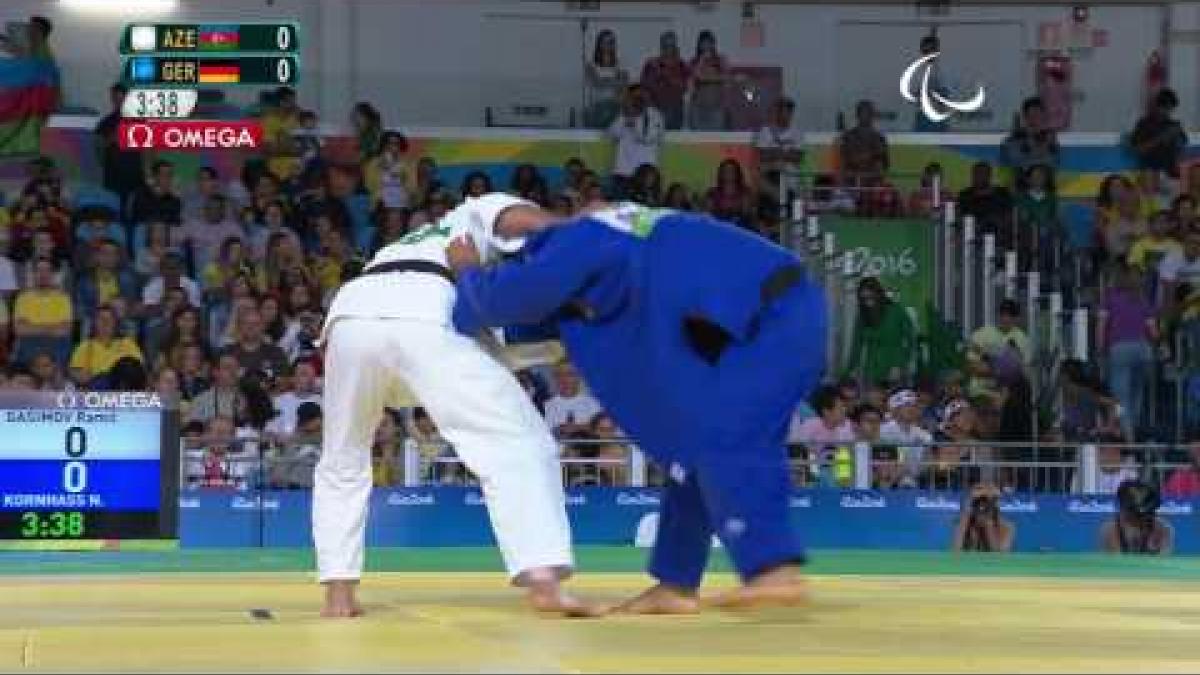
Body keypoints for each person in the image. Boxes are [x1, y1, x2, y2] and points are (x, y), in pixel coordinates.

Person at [449, 196, 827, 613]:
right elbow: (541, 311)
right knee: (691, 450)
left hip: (769, 318)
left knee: (723, 434)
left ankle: (773, 569)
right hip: (765, 316)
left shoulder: (578, 238)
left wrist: (467, 270)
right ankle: (676, 583)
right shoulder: (616, 238)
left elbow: (494, 304)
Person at [313, 194, 596, 618]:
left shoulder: (420, 243)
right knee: (517, 441)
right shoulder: (476, 212)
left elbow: (507, 337)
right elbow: (523, 220)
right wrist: (578, 226)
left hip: (352, 314)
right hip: (426, 311)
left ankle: (339, 595)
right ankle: (543, 581)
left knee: (343, 457)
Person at [842, 277, 915, 386]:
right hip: (872, 372)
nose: (868, 302)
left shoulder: (896, 311)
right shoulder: (862, 316)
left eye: (871, 297)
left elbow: (910, 339)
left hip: (895, 370)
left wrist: (899, 364)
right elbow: (856, 347)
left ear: (878, 294)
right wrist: (847, 372)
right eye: (864, 299)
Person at [93, 83, 144, 218]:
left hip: (136, 175)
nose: (119, 102)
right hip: (113, 176)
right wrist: (113, 138)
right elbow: (97, 148)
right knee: (114, 212)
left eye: (122, 99)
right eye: (116, 99)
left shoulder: (140, 121)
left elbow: (149, 148)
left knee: (136, 212)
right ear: (112, 100)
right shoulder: (106, 122)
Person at [607, 85, 665, 200]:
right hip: (623, 171)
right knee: (621, 211)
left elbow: (646, 137)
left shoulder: (655, 115)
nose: (638, 99)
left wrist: (634, 119)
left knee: (644, 211)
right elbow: (612, 133)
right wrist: (625, 116)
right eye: (634, 96)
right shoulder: (624, 113)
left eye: (641, 96)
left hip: (646, 173)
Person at [1100, 479, 1173, 555]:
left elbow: (1162, 560)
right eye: (1134, 514)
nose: (1139, 518)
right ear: (1124, 510)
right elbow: (1114, 561)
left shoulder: (1163, 529)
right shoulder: (1110, 529)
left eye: (1143, 515)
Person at [640, 31, 689, 131]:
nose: (669, 49)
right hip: (655, 111)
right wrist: (649, 109)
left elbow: (684, 87)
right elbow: (644, 88)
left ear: (676, 47)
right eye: (666, 46)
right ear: (661, 47)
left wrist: (666, 75)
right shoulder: (651, 64)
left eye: (672, 46)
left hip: (675, 111)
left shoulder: (682, 65)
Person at [584, 29, 628, 130]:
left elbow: (623, 83)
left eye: (612, 42)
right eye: (607, 42)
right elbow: (597, 83)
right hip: (597, 108)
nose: (610, 46)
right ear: (600, 45)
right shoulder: (591, 65)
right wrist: (614, 81)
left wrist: (606, 81)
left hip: (615, 106)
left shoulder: (621, 63)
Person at [951, 484, 1014, 553]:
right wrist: (966, 518)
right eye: (978, 502)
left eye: (986, 502)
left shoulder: (1006, 528)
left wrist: (988, 525)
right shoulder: (964, 525)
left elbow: (1000, 557)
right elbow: (956, 552)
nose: (981, 507)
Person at [688, 30, 729, 131]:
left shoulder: (721, 59)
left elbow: (726, 77)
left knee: (716, 137)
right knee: (698, 138)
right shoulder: (694, 61)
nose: (706, 46)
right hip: (698, 107)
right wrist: (702, 60)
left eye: (709, 43)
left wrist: (707, 78)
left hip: (717, 107)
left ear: (713, 44)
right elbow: (696, 76)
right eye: (703, 43)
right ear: (699, 45)